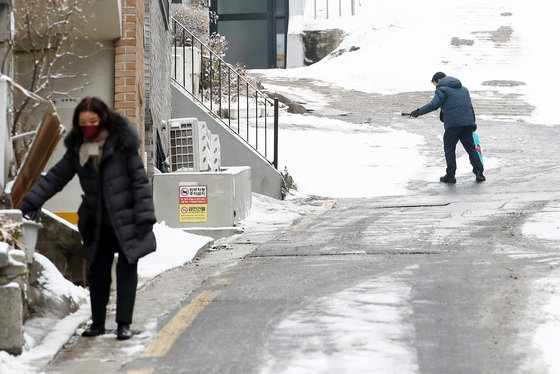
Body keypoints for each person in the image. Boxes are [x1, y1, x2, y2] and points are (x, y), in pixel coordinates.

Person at [19, 97, 157, 340]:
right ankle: (98, 324)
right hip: (97, 222)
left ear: (103, 120)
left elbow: (139, 181)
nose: (89, 127)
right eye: (84, 123)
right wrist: (27, 203)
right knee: (98, 273)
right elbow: (55, 178)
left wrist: (146, 217)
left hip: (127, 219)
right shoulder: (78, 149)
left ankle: (123, 324)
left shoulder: (121, 144)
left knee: (127, 271)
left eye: (93, 122)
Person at [409, 72, 485, 184]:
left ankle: (450, 175)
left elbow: (434, 105)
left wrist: (418, 112)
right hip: (467, 123)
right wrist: (472, 123)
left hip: (453, 124)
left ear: (439, 80)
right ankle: (479, 173)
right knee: (471, 148)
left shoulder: (442, 89)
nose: (436, 87)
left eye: (435, 84)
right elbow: (469, 106)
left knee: (449, 148)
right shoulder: (464, 89)